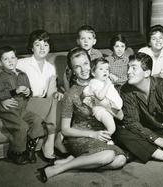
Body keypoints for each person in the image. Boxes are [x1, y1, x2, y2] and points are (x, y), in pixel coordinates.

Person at [37, 47, 126, 183]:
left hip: (101, 136)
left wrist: (103, 102)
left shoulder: (101, 83)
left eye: (85, 63)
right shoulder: (70, 95)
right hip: (80, 137)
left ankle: (76, 161)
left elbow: (120, 116)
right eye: (77, 67)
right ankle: (58, 169)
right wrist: (92, 134)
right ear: (72, 71)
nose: (83, 69)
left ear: (90, 63)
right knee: (108, 156)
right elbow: (66, 130)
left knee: (120, 160)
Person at [9, 30, 64, 161]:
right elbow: (8, 82)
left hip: (42, 102)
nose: (42, 48)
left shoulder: (50, 67)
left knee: (62, 100)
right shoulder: (21, 63)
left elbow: (51, 92)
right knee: (54, 105)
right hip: (25, 102)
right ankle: (50, 143)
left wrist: (57, 94)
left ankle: (54, 140)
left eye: (45, 44)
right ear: (31, 47)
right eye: (38, 44)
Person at [0, 46, 55, 165]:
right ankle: (16, 152)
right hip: (8, 109)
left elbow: (29, 91)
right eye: (6, 59)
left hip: (22, 108)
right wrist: (14, 92)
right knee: (21, 126)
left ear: (17, 59)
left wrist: (28, 92)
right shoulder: (1, 76)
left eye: (12, 57)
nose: (10, 61)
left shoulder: (22, 74)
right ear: (0, 63)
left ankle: (30, 149)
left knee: (37, 120)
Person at [83, 57, 124, 145]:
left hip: (107, 109)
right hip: (101, 110)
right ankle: (102, 140)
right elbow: (100, 97)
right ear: (93, 73)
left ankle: (105, 139)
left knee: (112, 126)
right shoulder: (95, 83)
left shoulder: (104, 81)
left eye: (107, 69)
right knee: (111, 128)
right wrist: (107, 85)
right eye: (101, 69)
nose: (105, 71)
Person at [63, 25, 103, 91]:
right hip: (77, 85)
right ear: (78, 41)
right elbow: (66, 75)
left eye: (89, 38)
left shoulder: (97, 54)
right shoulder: (74, 54)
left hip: (93, 86)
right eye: (83, 38)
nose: (86, 41)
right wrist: (67, 91)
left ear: (94, 41)